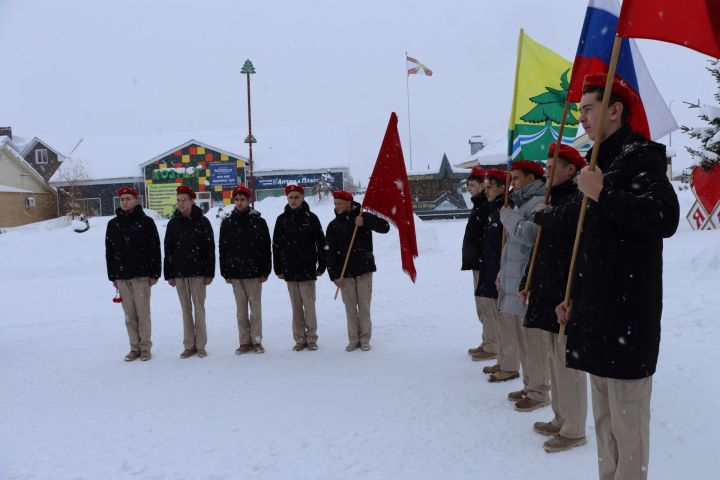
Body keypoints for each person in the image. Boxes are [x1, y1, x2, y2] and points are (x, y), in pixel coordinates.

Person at [556, 73, 679, 479]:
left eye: (588, 108)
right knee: (605, 423)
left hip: (628, 318)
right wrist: (571, 295)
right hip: (595, 315)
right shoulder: (596, 162)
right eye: (580, 111)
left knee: (628, 430)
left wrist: (604, 193)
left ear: (614, 110)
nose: (583, 118)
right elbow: (589, 244)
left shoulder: (640, 155)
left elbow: (664, 217)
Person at [519, 144, 588, 453]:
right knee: (553, 361)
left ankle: (574, 429)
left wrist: (546, 214)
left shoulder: (576, 200)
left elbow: (574, 242)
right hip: (547, 293)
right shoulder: (552, 200)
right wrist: (528, 282)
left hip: (565, 297)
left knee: (567, 368)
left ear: (571, 170)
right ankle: (561, 418)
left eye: (552, 166)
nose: (546, 170)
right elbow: (540, 252)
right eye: (545, 166)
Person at [495, 160, 551, 413]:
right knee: (524, 341)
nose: (512, 183)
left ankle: (539, 391)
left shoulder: (539, 201)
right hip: (516, 282)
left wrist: (508, 216)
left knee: (534, 343)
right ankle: (530, 385)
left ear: (531, 178)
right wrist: (501, 273)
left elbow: (529, 236)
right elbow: (511, 249)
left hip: (529, 283)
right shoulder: (519, 203)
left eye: (516, 178)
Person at [326, 190, 389, 352]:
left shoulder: (363, 216)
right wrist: (334, 276)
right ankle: (353, 339)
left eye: (339, 203)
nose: (336, 206)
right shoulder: (333, 226)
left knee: (364, 306)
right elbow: (330, 253)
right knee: (350, 307)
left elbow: (385, 227)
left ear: (348, 203)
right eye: (335, 203)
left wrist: (366, 223)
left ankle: (365, 339)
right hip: (344, 274)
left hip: (364, 270)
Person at [105, 187, 161, 362]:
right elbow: (110, 252)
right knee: (129, 315)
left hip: (141, 276)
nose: (125, 202)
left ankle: (145, 347)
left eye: (128, 198)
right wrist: (113, 276)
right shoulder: (113, 224)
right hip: (122, 276)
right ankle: (134, 348)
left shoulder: (146, 222)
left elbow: (155, 249)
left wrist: (154, 273)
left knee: (143, 313)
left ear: (136, 200)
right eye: (122, 199)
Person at [164, 185, 215, 359]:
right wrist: (169, 273)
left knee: (199, 308)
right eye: (178, 200)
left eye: (184, 200)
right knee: (185, 309)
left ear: (192, 201)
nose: (181, 203)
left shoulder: (203, 221)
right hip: (179, 273)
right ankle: (189, 345)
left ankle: (201, 345)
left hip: (198, 273)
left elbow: (210, 248)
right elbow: (168, 249)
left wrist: (209, 272)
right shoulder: (173, 223)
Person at [273, 184, 326, 351]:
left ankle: (311, 338)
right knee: (296, 308)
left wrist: (322, 265)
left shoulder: (312, 218)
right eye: (291, 197)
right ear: (287, 199)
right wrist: (278, 268)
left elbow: (321, 243)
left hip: (308, 269)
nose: (293, 200)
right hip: (290, 270)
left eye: (296, 197)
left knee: (309, 307)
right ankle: (299, 339)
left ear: (302, 198)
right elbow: (276, 246)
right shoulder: (281, 220)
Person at [219, 185, 271, 355]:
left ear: (249, 201)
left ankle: (256, 340)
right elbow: (223, 249)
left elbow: (265, 248)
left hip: (254, 272)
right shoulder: (227, 223)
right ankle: (244, 342)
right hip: (235, 273)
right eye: (237, 199)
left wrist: (265, 271)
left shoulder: (258, 222)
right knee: (241, 311)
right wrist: (225, 271)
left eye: (243, 199)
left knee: (255, 310)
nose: (239, 202)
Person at [472, 170, 508, 375]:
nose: (485, 192)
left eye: (488, 188)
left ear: (502, 189)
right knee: (491, 314)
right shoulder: (491, 209)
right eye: (484, 188)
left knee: (502, 321)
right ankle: (502, 359)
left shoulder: (504, 209)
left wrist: (499, 272)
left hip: (498, 273)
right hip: (488, 268)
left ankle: (505, 360)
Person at [461, 167, 497, 361]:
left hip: (484, 264)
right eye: (468, 185)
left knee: (488, 306)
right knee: (482, 306)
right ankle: (487, 340)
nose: (469, 189)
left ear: (483, 186)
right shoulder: (479, 205)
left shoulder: (486, 206)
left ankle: (493, 344)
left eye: (472, 185)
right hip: (477, 263)